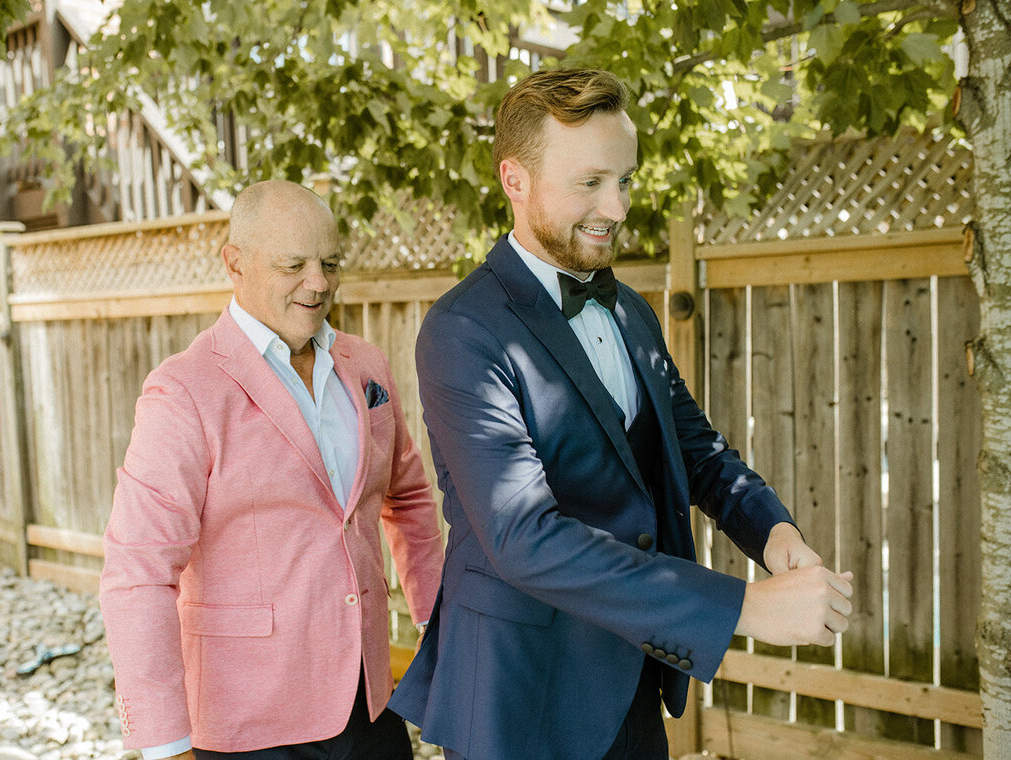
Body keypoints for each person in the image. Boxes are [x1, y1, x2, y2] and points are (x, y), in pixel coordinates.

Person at [388, 68, 854, 760]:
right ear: (514, 180)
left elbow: (696, 454)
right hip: (520, 701)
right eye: (590, 182)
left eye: (626, 180)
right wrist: (743, 609)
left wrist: (775, 535)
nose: (617, 205)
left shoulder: (632, 310)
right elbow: (524, 536)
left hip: (634, 676)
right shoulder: (464, 330)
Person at [100, 180, 445, 760]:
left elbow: (407, 499)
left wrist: (440, 626)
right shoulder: (183, 391)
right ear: (235, 262)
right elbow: (137, 571)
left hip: (370, 707)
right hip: (247, 728)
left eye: (330, 263)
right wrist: (165, 743)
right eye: (294, 265)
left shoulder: (365, 366)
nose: (319, 283)